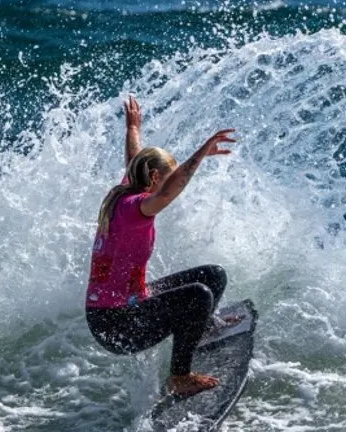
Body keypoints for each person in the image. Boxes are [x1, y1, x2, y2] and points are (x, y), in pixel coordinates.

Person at [85, 95, 238, 397]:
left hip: (126, 307)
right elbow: (171, 189)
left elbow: (135, 159)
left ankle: (199, 326)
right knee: (197, 295)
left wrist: (132, 128)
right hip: (117, 327)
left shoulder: (127, 188)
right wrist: (201, 153)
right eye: (164, 180)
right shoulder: (136, 207)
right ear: (154, 178)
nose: (168, 188)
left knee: (212, 275)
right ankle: (179, 377)